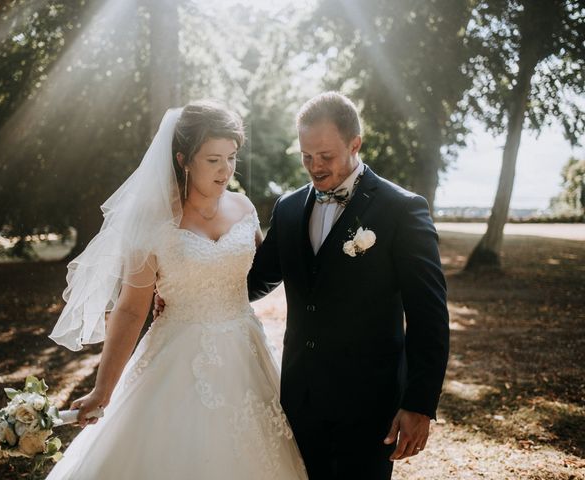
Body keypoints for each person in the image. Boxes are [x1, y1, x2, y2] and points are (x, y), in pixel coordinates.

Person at [46, 101, 307, 479]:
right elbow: (131, 310)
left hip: (247, 352)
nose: (226, 170)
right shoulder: (152, 222)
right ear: (184, 159)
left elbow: (258, 273)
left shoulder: (244, 207)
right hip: (178, 356)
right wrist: (102, 391)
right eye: (213, 160)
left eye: (232, 157)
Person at [246, 92, 450, 479]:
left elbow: (429, 315)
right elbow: (256, 282)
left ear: (355, 144)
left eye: (325, 156)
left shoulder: (401, 209)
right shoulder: (288, 209)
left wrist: (419, 405)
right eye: (306, 156)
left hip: (370, 406)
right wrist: (186, 289)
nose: (315, 167)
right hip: (299, 399)